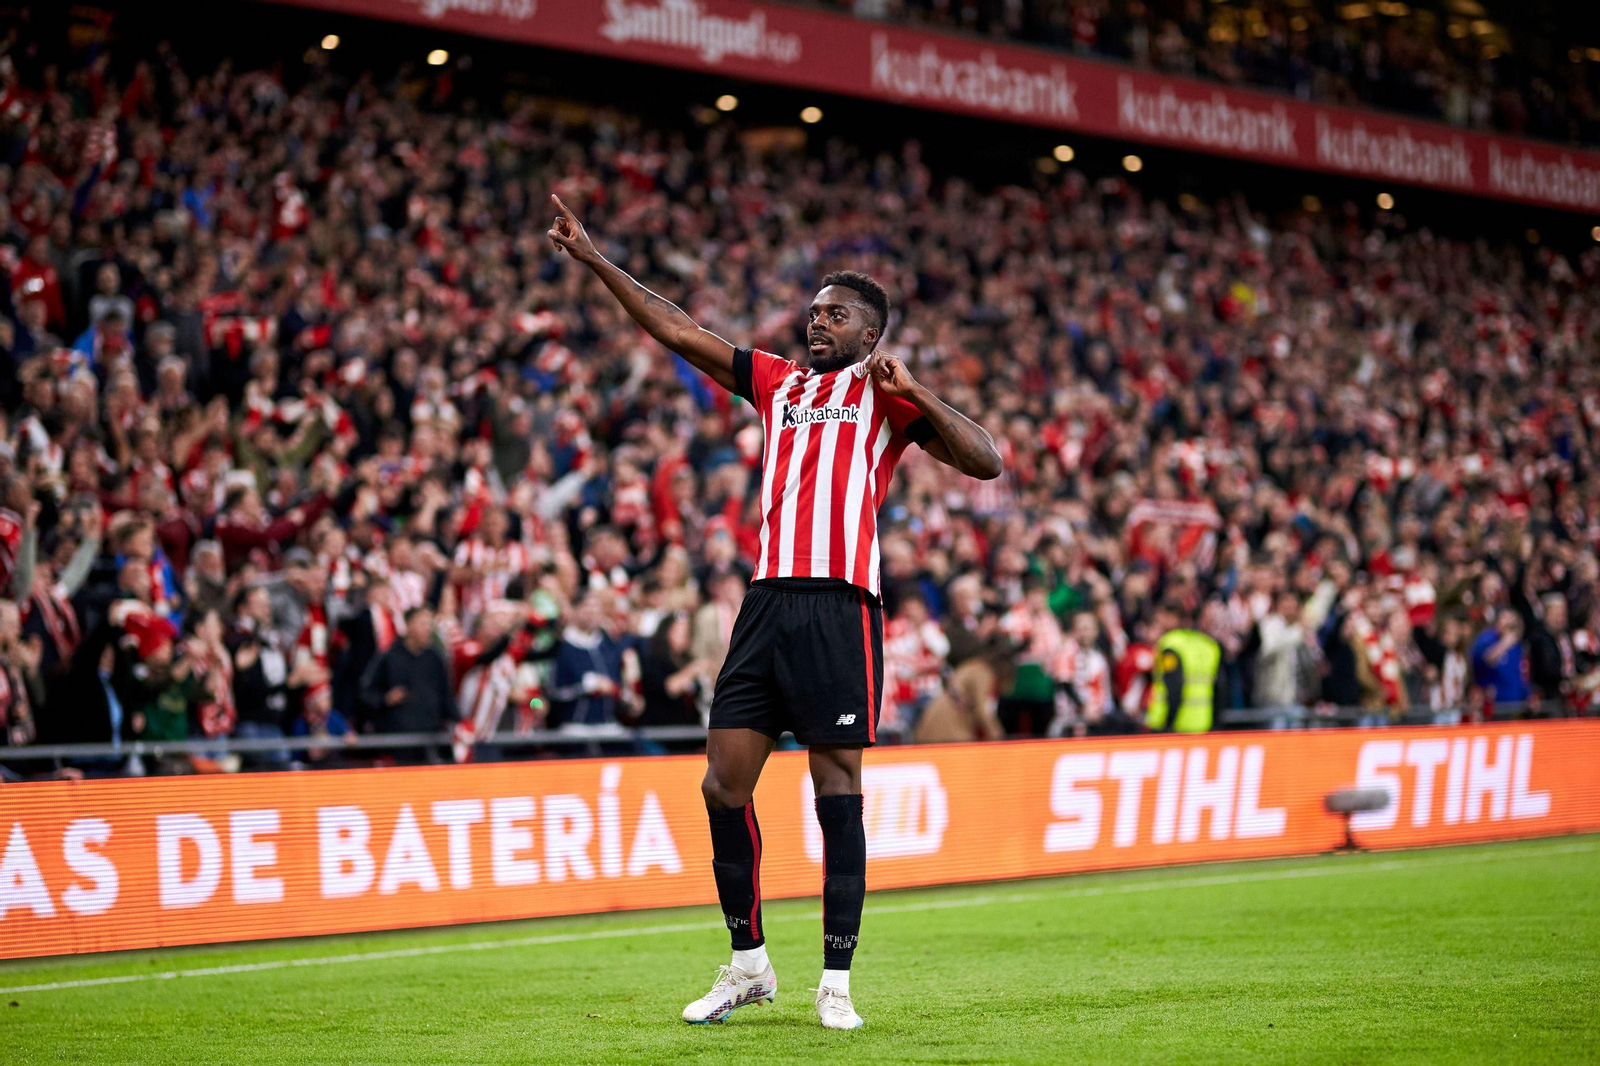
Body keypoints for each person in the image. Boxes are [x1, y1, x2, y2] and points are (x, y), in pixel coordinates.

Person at [547, 195, 1001, 1029]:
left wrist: (923, 395)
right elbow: (680, 330)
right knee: (723, 785)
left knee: (838, 792)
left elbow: (987, 461)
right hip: (765, 604)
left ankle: (837, 981)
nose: (815, 322)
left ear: (871, 335)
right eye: (814, 311)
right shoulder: (778, 383)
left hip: (840, 608)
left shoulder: (886, 399)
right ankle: (750, 965)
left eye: (835, 315)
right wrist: (597, 260)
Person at [360, 607, 455, 760]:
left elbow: (445, 695)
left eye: (430, 624)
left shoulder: (434, 657)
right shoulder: (389, 656)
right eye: (423, 624)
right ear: (409, 625)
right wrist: (385, 698)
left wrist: (458, 721)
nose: (428, 629)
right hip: (397, 742)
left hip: (430, 740)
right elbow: (366, 693)